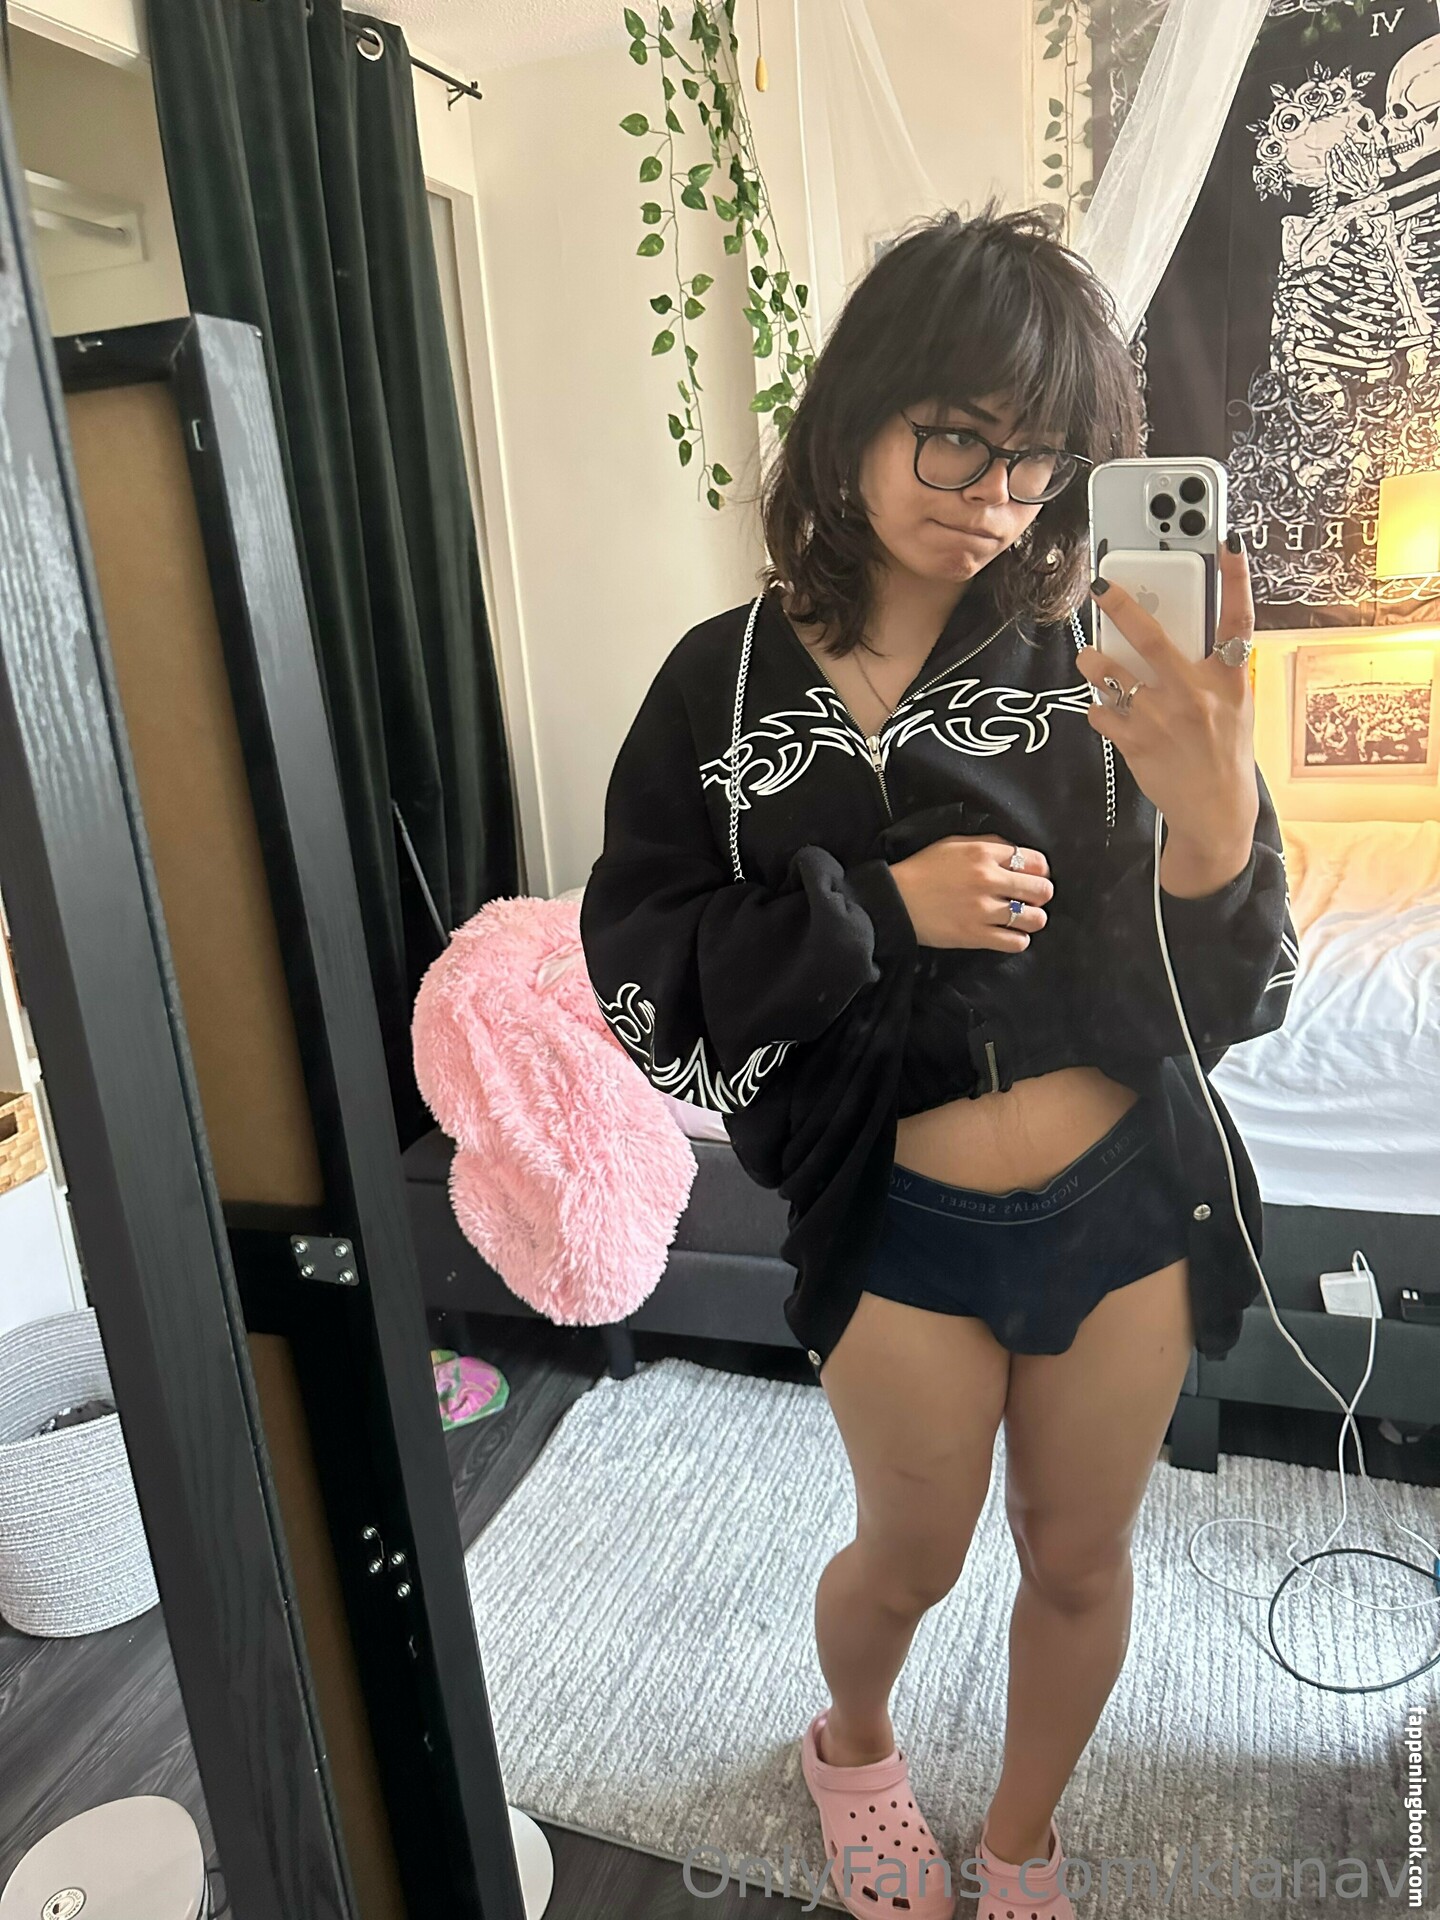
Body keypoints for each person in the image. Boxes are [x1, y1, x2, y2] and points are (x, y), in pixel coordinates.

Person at [580, 205, 1295, 1920]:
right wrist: (877, 912)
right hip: (890, 1218)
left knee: (1081, 1560)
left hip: (1124, 1204)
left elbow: (1218, 997)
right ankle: (852, 1747)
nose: (994, 499)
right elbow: (642, 972)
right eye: (957, 436)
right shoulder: (716, 689)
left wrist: (1216, 830)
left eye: (1037, 463)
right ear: (857, 409)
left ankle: (1021, 1841)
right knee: (910, 1558)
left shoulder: (1098, 665)